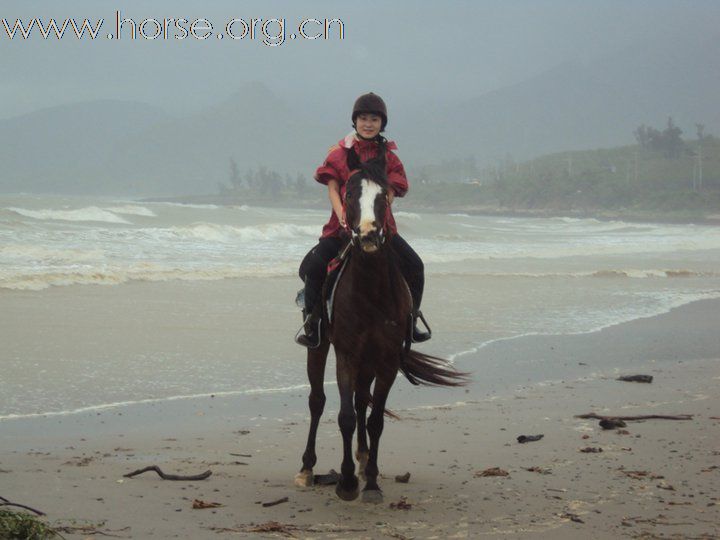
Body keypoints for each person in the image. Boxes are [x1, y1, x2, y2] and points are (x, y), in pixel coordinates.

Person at [296, 92, 431, 348]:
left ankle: (411, 322)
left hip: (381, 229)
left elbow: (393, 189)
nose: (368, 124)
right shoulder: (338, 154)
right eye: (363, 118)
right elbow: (333, 188)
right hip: (341, 229)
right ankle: (312, 324)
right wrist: (343, 217)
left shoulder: (390, 157)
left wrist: (380, 210)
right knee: (312, 268)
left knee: (416, 266)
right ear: (355, 121)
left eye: (374, 119)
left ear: (382, 123)